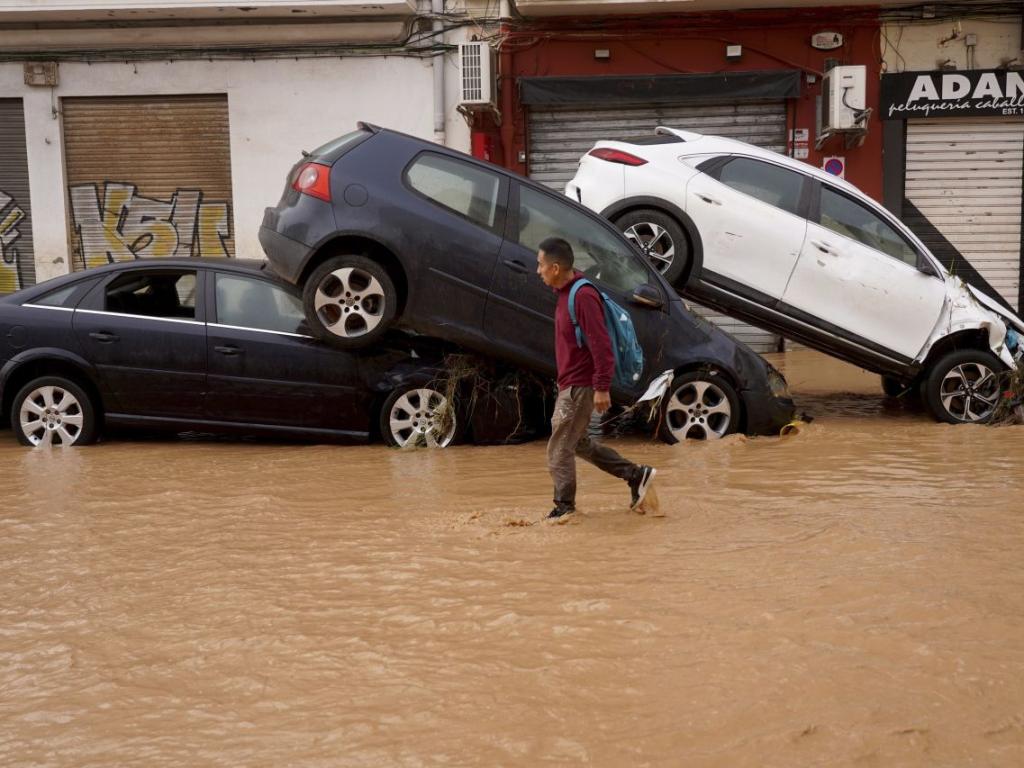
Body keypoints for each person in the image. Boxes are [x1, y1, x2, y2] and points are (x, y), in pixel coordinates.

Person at [536, 236, 656, 519]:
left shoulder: (583, 296)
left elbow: (601, 345)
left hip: (580, 386)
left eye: (540, 265)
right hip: (571, 384)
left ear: (555, 267)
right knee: (576, 443)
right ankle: (636, 475)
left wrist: (602, 387)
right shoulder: (565, 294)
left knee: (559, 447)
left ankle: (563, 509)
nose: (537, 270)